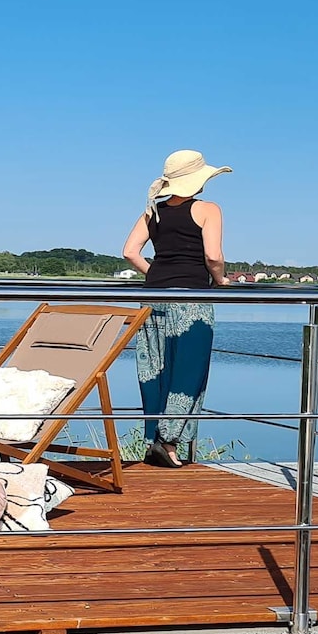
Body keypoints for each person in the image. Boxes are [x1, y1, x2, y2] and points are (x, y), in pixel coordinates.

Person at [122, 149, 231, 468]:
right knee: (188, 370)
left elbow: (130, 251)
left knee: (155, 367)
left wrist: (155, 274)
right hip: (192, 301)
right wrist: (221, 282)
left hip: (153, 298)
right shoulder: (208, 209)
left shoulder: (151, 211)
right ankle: (169, 444)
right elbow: (213, 256)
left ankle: (155, 438)